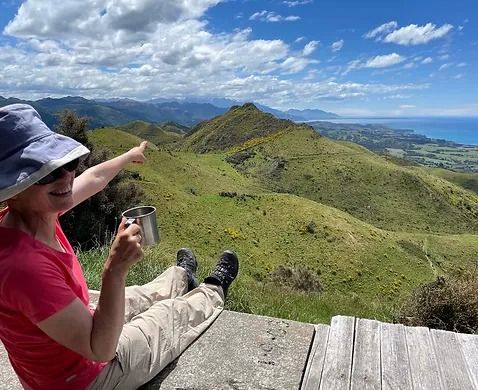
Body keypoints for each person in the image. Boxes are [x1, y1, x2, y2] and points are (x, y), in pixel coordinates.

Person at [0, 103, 239, 390]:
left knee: (135, 296)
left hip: (61, 361)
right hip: (84, 377)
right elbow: (99, 349)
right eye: (48, 173)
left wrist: (129, 156)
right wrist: (114, 269)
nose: (66, 177)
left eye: (67, 164)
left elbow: (92, 178)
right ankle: (214, 290)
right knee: (166, 317)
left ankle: (181, 277)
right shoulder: (24, 268)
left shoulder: (32, 213)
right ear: (13, 189)